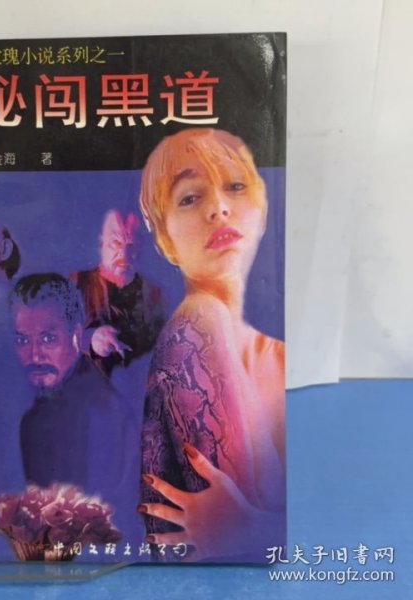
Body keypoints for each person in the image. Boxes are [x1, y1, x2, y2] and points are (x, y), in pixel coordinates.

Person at [136, 128, 285, 562]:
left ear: (261, 209)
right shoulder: (197, 323)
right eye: (190, 197)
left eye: (235, 186)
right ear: (165, 238)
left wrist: (259, 529)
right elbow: (254, 546)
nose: (218, 208)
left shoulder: (280, 356)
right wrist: (261, 532)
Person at [10, 273, 139, 510]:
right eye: (23, 341)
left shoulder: (101, 415)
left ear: (77, 336)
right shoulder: (36, 411)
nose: (34, 355)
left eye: (48, 339)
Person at [71, 209, 166, 376]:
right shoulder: (74, 284)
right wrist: (88, 339)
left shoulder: (155, 296)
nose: (124, 254)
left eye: (132, 245)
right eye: (116, 243)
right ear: (101, 244)